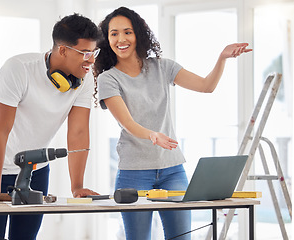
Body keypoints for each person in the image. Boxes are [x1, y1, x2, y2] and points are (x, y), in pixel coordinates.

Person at [93, 6, 252, 240]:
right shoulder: (109, 78)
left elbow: (206, 86)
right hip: (133, 172)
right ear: (107, 39)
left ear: (138, 34)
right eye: (113, 33)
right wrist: (152, 135)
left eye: (127, 32)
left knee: (181, 237)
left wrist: (222, 58)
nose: (121, 39)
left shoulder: (163, 67)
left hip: (172, 170)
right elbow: (126, 122)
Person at [0, 13, 100, 240]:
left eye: (94, 53)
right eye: (86, 54)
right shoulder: (18, 68)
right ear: (63, 50)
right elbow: (0, 130)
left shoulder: (83, 80)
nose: (91, 60)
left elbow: (78, 133)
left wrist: (77, 186)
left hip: (34, 168)